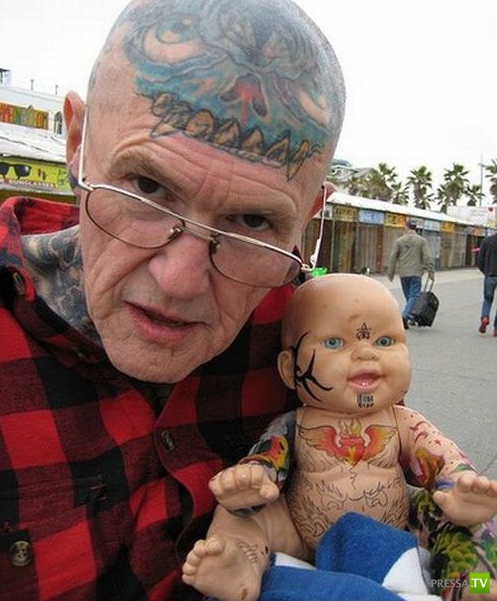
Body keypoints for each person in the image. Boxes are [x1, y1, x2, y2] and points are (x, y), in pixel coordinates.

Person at [0, 0, 346, 601]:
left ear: (307, 219)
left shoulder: (312, 342)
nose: (180, 281)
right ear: (76, 143)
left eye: (252, 221)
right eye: (147, 187)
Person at [183, 274, 497, 601]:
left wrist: (457, 485)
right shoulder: (294, 424)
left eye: (384, 341)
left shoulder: (402, 421)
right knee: (237, 517)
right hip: (298, 532)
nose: (366, 354)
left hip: (398, 524)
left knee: (468, 523)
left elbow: (442, 455)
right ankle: (241, 566)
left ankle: (471, 587)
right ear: (290, 369)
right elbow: (268, 459)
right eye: (334, 343)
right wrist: (252, 482)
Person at [387, 219, 435, 329]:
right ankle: (405, 316)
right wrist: (431, 271)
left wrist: (391, 272)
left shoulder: (399, 241)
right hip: (416, 273)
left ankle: (410, 317)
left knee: (410, 297)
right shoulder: (422, 241)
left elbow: (393, 257)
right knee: (414, 297)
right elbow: (427, 256)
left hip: (403, 274)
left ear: (407, 227)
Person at [476, 232, 497, 336]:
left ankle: (485, 317)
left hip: (490, 274)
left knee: (487, 299)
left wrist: (485, 271)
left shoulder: (487, 240)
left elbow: (480, 259)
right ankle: (496, 329)